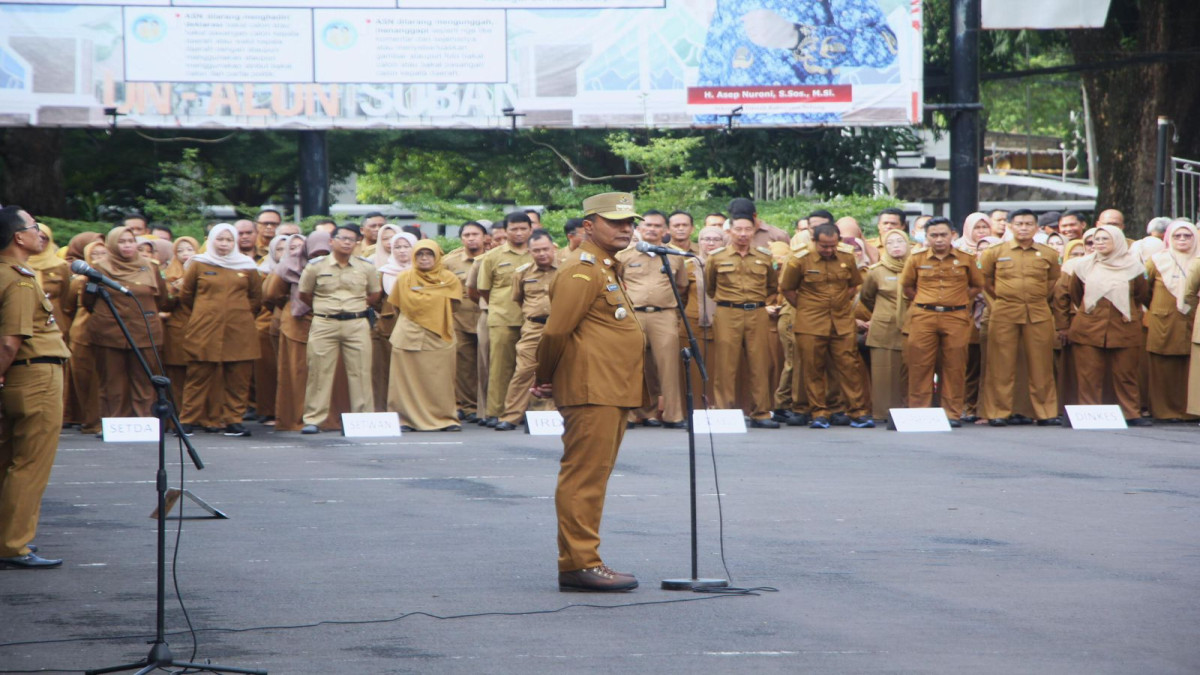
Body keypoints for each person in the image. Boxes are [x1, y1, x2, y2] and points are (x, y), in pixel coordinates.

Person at [531, 192, 646, 592]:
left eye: (629, 222)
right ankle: (581, 563)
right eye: (615, 222)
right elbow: (557, 330)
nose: (626, 228)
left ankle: (581, 561)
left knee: (594, 476)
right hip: (591, 387)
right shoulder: (581, 270)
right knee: (584, 478)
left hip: (610, 386)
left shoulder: (605, 266)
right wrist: (544, 375)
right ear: (588, 226)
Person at [0, 207, 71, 569]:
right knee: (29, 464)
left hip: (20, 376)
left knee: (9, 462)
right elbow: (10, 342)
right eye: (32, 227)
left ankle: (7, 538)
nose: (39, 233)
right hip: (35, 375)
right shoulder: (20, 279)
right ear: (17, 237)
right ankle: (14, 545)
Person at [780, 223, 872, 428]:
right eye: (824, 246)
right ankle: (819, 412)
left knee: (849, 366)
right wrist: (807, 308)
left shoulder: (847, 256)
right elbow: (787, 289)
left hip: (841, 321)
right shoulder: (799, 259)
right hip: (811, 322)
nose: (829, 250)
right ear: (814, 241)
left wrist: (838, 304)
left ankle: (857, 412)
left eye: (832, 245)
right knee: (813, 368)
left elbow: (853, 285)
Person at [979, 209, 1062, 426]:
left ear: (1036, 227)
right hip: (1005, 311)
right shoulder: (995, 252)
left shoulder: (1048, 253)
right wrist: (1000, 301)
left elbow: (1052, 281)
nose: (1023, 228)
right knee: (1000, 365)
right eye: (1019, 223)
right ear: (1010, 226)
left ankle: (1045, 413)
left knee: (1041, 365)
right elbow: (985, 282)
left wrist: (1036, 297)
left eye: (1028, 224)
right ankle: (998, 412)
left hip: (1038, 312)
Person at [178, 224, 262, 436]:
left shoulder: (247, 266)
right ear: (211, 240)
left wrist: (237, 314)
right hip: (205, 329)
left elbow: (256, 298)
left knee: (238, 378)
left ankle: (233, 421)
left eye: (229, 240)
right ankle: (187, 421)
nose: (224, 244)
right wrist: (205, 313)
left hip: (239, 330)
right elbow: (187, 296)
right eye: (220, 239)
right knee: (198, 377)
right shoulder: (198, 264)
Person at [1063, 225, 1151, 425]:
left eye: (1105, 239)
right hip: (1088, 327)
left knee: (1126, 374)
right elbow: (1076, 295)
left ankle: (1131, 413)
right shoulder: (1083, 265)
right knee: (1088, 375)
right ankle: (1089, 414)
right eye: (1097, 239)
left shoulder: (1134, 267)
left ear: (1118, 241)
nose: (1099, 243)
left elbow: (1141, 295)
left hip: (1124, 327)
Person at [297, 226, 381, 434]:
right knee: (319, 371)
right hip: (325, 322)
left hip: (356, 322)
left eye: (351, 239)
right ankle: (314, 419)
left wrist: (356, 308)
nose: (346, 242)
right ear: (331, 241)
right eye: (342, 238)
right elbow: (305, 294)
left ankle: (363, 419)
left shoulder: (366, 267)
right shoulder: (316, 266)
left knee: (360, 370)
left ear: (357, 243)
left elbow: (374, 295)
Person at [900, 217, 984, 427]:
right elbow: (908, 287)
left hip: (955, 316)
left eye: (943, 235)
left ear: (953, 235)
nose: (938, 240)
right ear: (926, 237)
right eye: (933, 235)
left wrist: (959, 299)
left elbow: (977, 285)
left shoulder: (966, 258)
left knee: (954, 365)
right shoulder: (916, 258)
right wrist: (924, 301)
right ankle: (920, 413)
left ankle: (952, 413)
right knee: (919, 364)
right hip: (923, 315)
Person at [81, 226, 169, 419]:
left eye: (130, 241)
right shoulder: (99, 268)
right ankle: (113, 422)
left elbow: (161, 298)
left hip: (144, 331)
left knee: (145, 380)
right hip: (109, 332)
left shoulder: (150, 266)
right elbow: (88, 301)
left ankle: (143, 421)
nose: (127, 245)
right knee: (112, 382)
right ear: (112, 245)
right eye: (122, 242)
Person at [615, 211, 689, 428]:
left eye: (657, 226)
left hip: (663, 314)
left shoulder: (674, 255)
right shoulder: (624, 255)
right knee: (631, 365)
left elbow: (682, 286)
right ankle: (630, 414)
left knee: (668, 367)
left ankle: (673, 415)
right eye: (647, 225)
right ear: (639, 229)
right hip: (633, 315)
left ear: (665, 231)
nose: (651, 229)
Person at [705, 215, 780, 428]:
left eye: (748, 229)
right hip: (728, 311)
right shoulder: (717, 257)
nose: (743, 234)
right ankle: (724, 412)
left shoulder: (764, 257)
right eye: (738, 229)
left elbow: (771, 287)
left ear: (754, 231)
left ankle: (761, 412)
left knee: (759, 363)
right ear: (729, 231)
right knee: (725, 364)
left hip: (757, 311)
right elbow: (711, 287)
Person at [384, 240, 462, 431]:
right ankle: (405, 420)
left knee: (440, 379)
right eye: (420, 254)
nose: (424, 258)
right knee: (405, 381)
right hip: (408, 335)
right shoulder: (404, 278)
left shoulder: (449, 279)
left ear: (437, 256)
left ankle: (444, 418)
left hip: (439, 335)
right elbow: (396, 306)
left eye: (429, 254)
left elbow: (456, 306)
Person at [495, 230, 559, 431]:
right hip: (533, 327)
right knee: (524, 371)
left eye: (545, 249)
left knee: (563, 370)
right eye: (536, 250)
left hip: (561, 328)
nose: (542, 254)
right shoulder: (522, 272)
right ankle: (511, 415)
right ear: (530, 252)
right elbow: (518, 298)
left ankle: (558, 414)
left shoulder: (566, 269)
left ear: (553, 248)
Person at [476, 212, 533, 427]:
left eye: (523, 229)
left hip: (533, 320)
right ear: (505, 231)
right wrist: (502, 307)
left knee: (531, 368)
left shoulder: (540, 252)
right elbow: (483, 290)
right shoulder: (492, 256)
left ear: (531, 229)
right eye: (513, 229)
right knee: (500, 368)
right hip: (502, 318)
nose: (518, 233)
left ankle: (530, 412)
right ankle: (496, 411)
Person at [1144, 220, 1198, 421]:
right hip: (1164, 322)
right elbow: (1143, 291)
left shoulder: (1199, 259)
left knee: (1191, 367)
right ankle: (1164, 411)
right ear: (1169, 238)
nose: (1182, 240)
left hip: (1192, 322)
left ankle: (1191, 412)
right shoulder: (1157, 260)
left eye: (1188, 236)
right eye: (1177, 236)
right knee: (1163, 367)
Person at [859, 229, 911, 421]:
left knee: (909, 370)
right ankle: (882, 414)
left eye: (900, 241)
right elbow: (866, 297)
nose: (896, 246)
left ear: (908, 244)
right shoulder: (877, 271)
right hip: (884, 326)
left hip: (912, 325)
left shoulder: (916, 266)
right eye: (890, 243)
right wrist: (884, 311)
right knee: (883, 374)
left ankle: (908, 411)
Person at [443, 222, 486, 422]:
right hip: (460, 319)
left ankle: (487, 406)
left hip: (486, 318)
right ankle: (469, 407)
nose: (471, 238)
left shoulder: (492, 258)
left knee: (488, 365)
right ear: (461, 239)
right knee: (465, 367)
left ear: (485, 237)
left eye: (475, 234)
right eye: (467, 234)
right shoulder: (450, 262)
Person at [372, 231, 415, 411]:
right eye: (397, 247)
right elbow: (375, 299)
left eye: (407, 246)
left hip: (415, 326)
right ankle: (387, 408)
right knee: (387, 369)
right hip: (389, 326)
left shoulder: (423, 272)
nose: (402, 251)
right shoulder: (384, 273)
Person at [161, 236, 199, 407]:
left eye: (190, 249)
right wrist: (174, 289)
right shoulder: (169, 274)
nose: (186, 254)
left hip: (202, 329)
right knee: (177, 376)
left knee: (200, 374)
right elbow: (165, 304)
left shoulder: (205, 271)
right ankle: (176, 415)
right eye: (180, 250)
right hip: (178, 331)